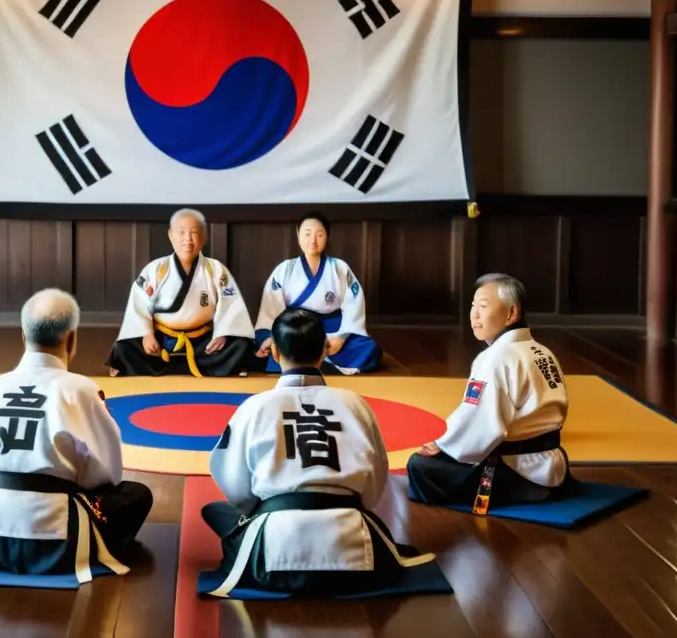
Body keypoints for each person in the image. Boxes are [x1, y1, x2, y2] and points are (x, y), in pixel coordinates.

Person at [201, 307, 439, 597]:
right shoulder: (354, 404)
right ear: (325, 350)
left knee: (218, 512)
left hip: (274, 548)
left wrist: (261, 507)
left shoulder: (254, 407)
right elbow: (375, 483)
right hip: (353, 543)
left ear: (274, 352)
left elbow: (235, 485)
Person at [0, 288, 153, 579]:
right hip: (55, 540)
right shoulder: (80, 390)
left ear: (23, 337)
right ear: (72, 339)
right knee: (137, 495)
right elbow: (107, 474)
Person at [406, 273, 581, 511]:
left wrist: (443, 444)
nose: (474, 315)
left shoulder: (496, 358)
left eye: (483, 306)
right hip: (553, 464)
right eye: (473, 306)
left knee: (420, 466)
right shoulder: (542, 351)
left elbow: (483, 422)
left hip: (518, 469)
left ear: (511, 314)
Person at [106, 208, 255, 377]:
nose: (188, 239)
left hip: (204, 340)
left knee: (240, 344)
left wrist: (221, 333)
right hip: (162, 339)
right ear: (171, 236)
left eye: (194, 233)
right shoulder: (156, 269)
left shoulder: (215, 269)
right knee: (125, 346)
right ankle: (198, 366)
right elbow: (139, 304)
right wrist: (147, 334)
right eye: (181, 232)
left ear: (204, 237)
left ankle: (174, 366)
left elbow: (231, 304)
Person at [254, 211, 381, 375]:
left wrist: (341, 338)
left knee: (368, 348)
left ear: (327, 237)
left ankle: (307, 363)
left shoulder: (340, 268)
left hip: (331, 331)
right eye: (307, 234)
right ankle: (320, 363)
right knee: (273, 346)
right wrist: (269, 338)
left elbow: (353, 303)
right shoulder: (284, 269)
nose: (313, 240)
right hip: (297, 329)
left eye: (319, 235)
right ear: (298, 234)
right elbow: (269, 311)